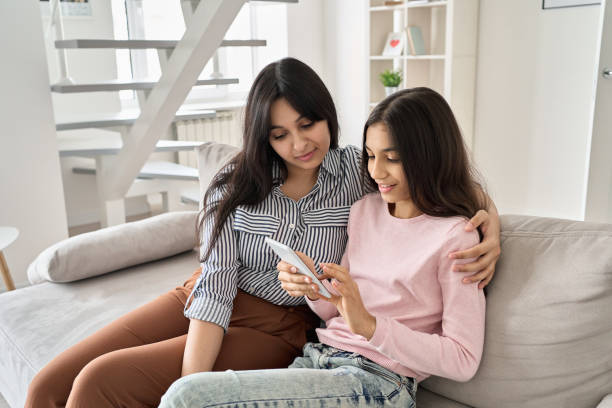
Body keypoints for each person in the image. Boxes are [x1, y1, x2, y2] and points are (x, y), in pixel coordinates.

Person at [26, 59, 498, 408]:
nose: (298, 144)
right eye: (279, 134)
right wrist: (196, 384)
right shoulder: (239, 185)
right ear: (262, 136)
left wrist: (489, 227)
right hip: (208, 298)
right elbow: (213, 293)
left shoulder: (357, 175)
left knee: (99, 381)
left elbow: (439, 175)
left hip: (282, 324)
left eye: (308, 124)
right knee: (48, 385)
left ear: (326, 116)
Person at [159, 86, 487, 407]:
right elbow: (333, 310)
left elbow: (463, 358)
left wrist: (371, 327)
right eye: (371, 156)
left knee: (186, 395)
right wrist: (313, 285)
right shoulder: (365, 210)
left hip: (379, 381)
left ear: (430, 156)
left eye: (393, 158)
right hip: (319, 359)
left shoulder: (456, 238)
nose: (376, 171)